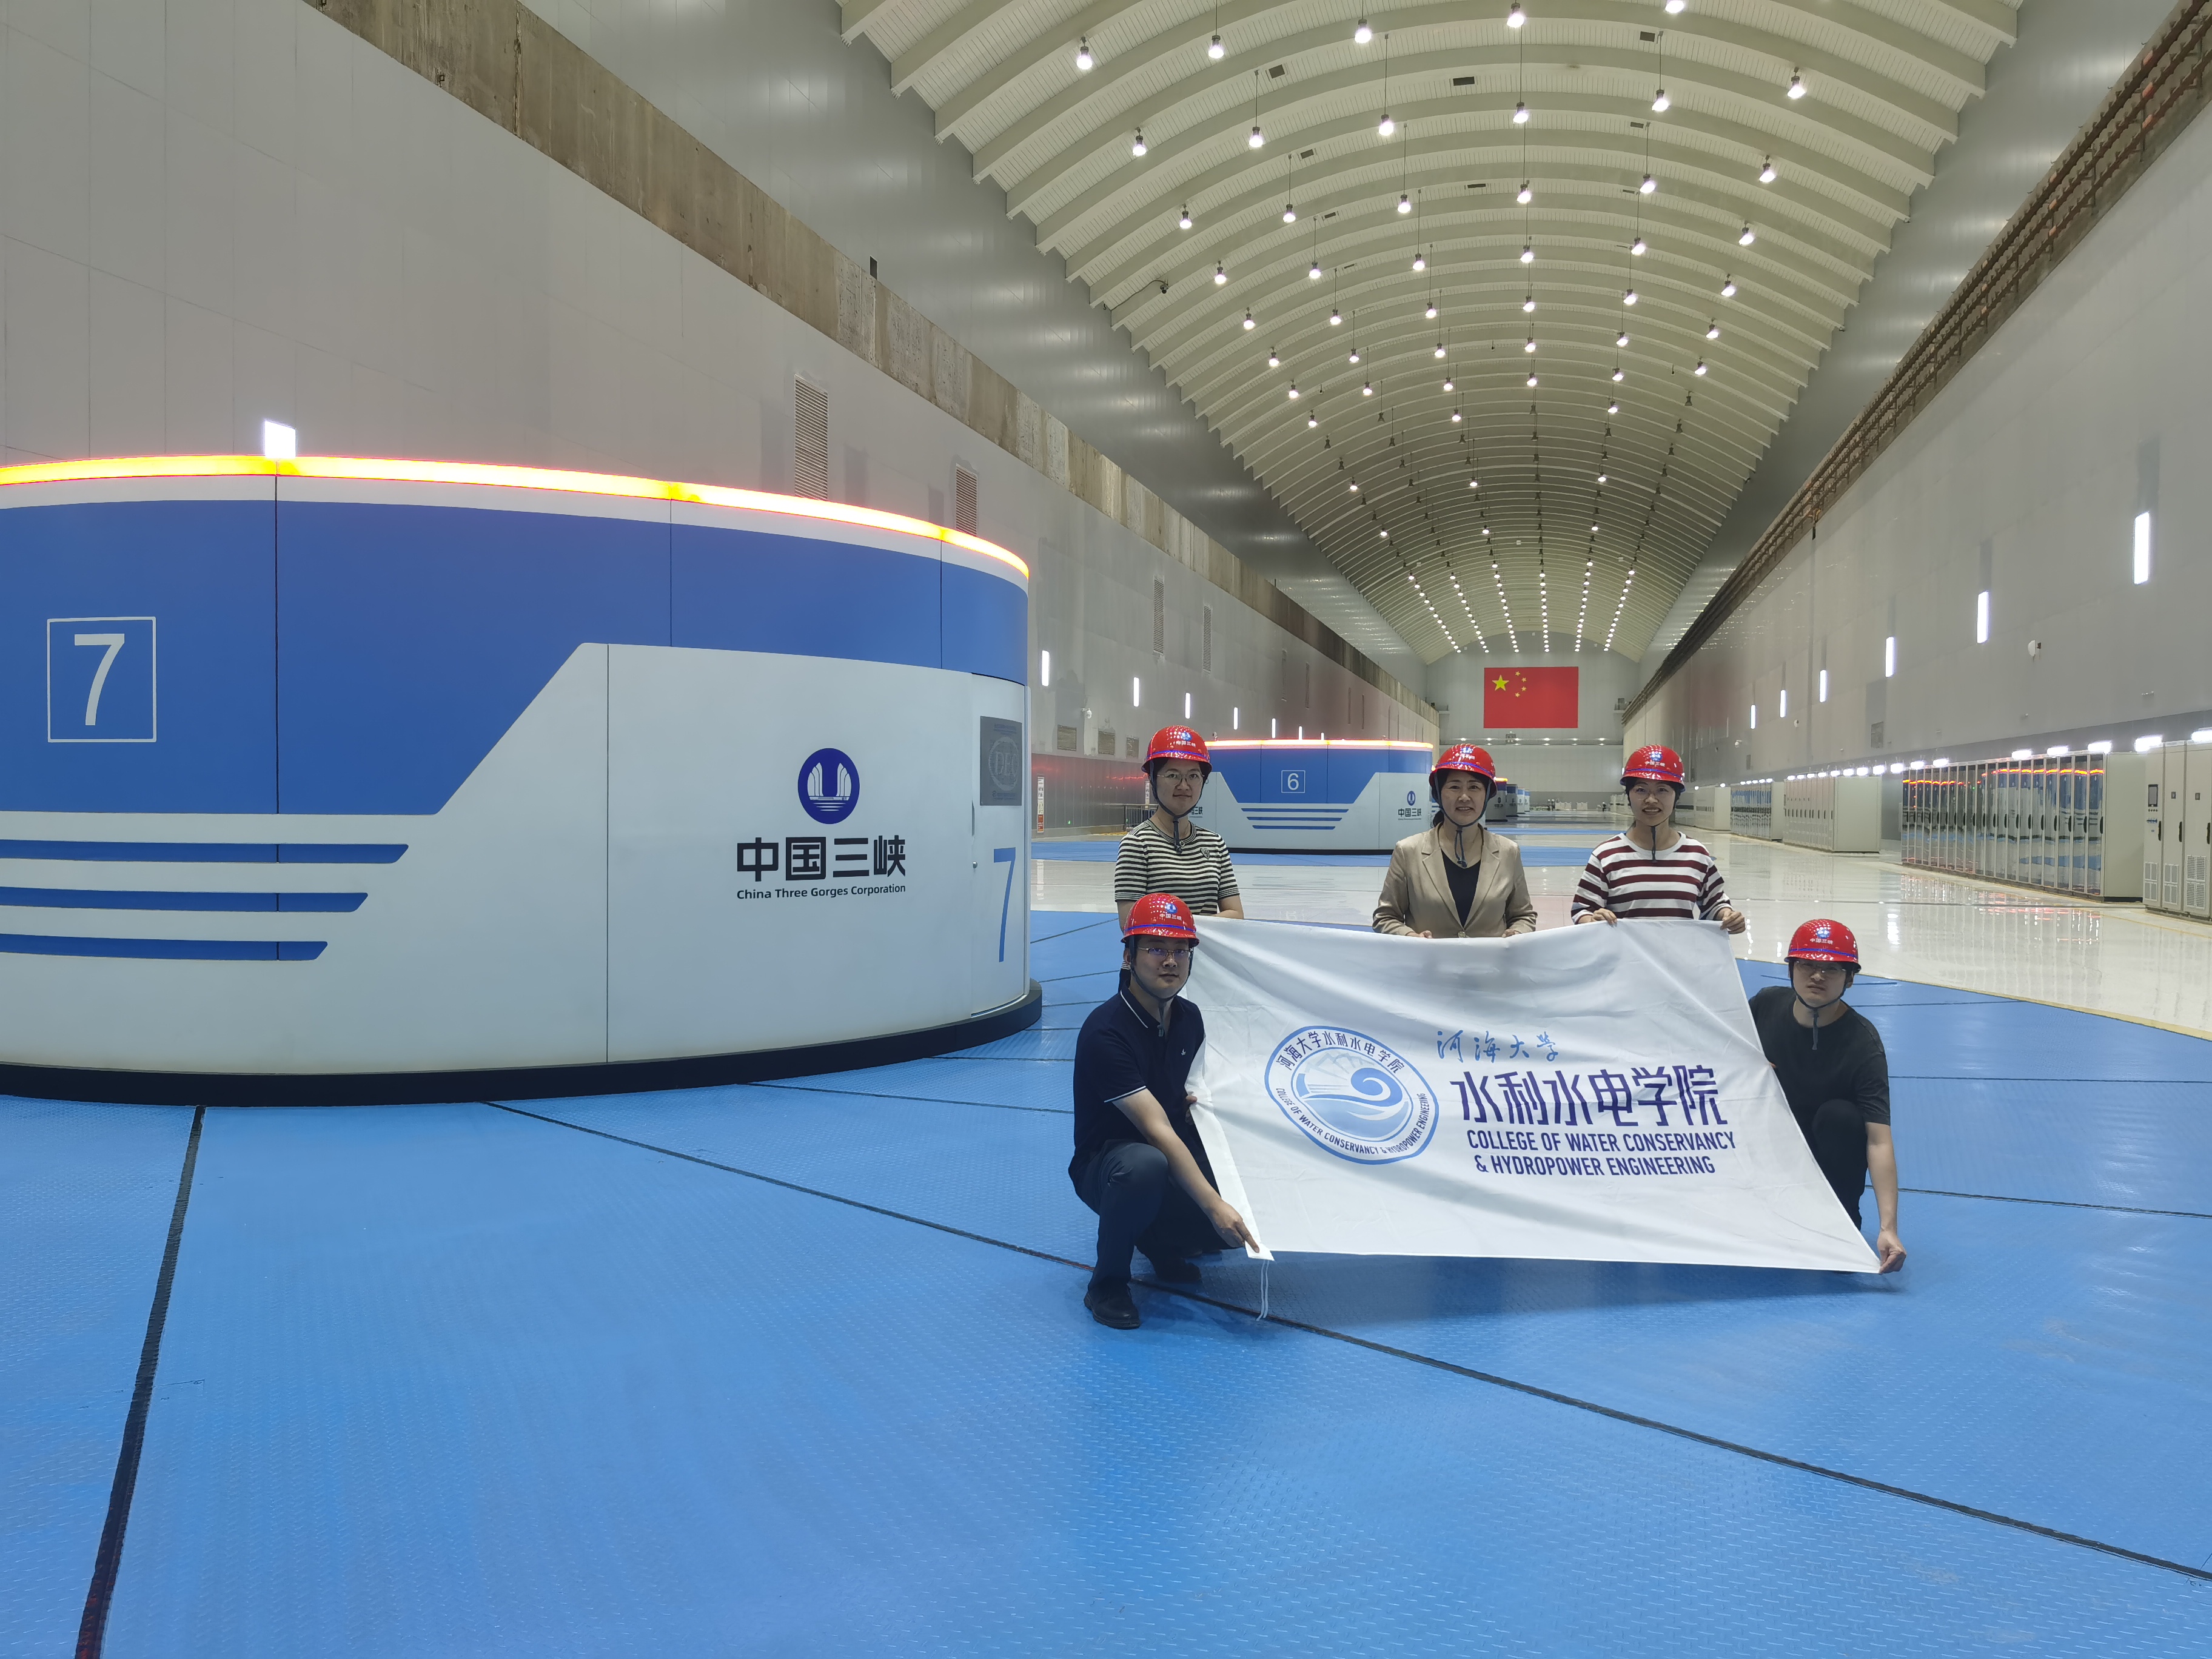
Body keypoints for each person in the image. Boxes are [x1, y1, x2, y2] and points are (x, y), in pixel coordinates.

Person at [1069, 892, 1258, 1329]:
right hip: (1109, 1164)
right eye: (1155, 949)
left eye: (1180, 951)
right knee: (1146, 1166)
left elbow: (1183, 1095)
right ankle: (1107, 1283)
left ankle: (1157, 1240)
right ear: (1129, 957)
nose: (1170, 961)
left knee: (1230, 1199)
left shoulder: (1190, 1018)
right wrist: (1213, 1205)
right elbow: (1155, 1129)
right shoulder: (1105, 1031)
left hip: (1162, 1153)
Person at [1750, 919, 1907, 1272]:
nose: (1817, 976)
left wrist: (1888, 1229)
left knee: (1842, 1117)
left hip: (1824, 1149)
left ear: (1849, 979)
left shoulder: (1863, 1044)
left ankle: (1840, 1220)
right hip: (1771, 1141)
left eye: (1832, 969)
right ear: (1791, 969)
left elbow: (1879, 1140)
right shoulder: (1765, 1005)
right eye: (1807, 965)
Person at [1572, 744, 1747, 933]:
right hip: (1625, 953)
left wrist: (1728, 916)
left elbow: (1715, 904)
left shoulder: (1696, 854)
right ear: (1629, 795)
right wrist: (1593, 920)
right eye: (1641, 790)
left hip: (1678, 952)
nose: (1651, 800)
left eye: (1662, 790)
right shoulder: (1606, 855)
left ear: (1676, 796)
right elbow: (1582, 910)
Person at [1373, 743, 1538, 939]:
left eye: (1474, 787)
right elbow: (1385, 918)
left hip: (1490, 960)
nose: (1464, 796)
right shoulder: (1408, 851)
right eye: (1454, 787)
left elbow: (1523, 916)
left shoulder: (1508, 852)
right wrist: (1409, 935)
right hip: (1428, 959)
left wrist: (1517, 932)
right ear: (1438, 793)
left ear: (1487, 795)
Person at [1114, 726, 1245, 930]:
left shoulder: (1215, 844)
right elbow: (1129, 923)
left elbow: (1236, 915)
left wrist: (1180, 925)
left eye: (1193, 776)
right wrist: (1194, 928)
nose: (1184, 785)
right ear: (1153, 779)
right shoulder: (1137, 844)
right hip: (1155, 952)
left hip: (1202, 953)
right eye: (1173, 775)